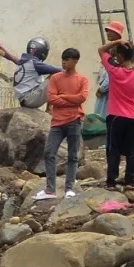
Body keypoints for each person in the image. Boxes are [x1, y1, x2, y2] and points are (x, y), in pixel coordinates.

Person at [37, 48, 90, 201]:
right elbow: (52, 99)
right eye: (63, 59)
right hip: (57, 122)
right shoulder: (55, 78)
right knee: (49, 152)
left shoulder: (82, 79)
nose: (64, 62)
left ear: (75, 61)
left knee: (73, 156)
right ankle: (50, 189)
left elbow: (82, 98)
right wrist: (70, 100)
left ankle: (69, 188)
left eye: (67, 59)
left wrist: (64, 96)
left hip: (74, 120)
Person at [101, 41, 134, 189]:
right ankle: (129, 179)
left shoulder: (114, 70)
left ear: (121, 56)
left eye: (118, 55)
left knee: (113, 149)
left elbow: (101, 50)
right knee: (133, 150)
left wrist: (117, 41)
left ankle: (111, 180)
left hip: (115, 116)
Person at [11, 37, 62, 109]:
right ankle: (51, 109)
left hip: (25, 100)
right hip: (29, 99)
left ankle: (50, 108)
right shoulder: (34, 63)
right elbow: (58, 70)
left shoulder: (24, 62)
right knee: (56, 75)